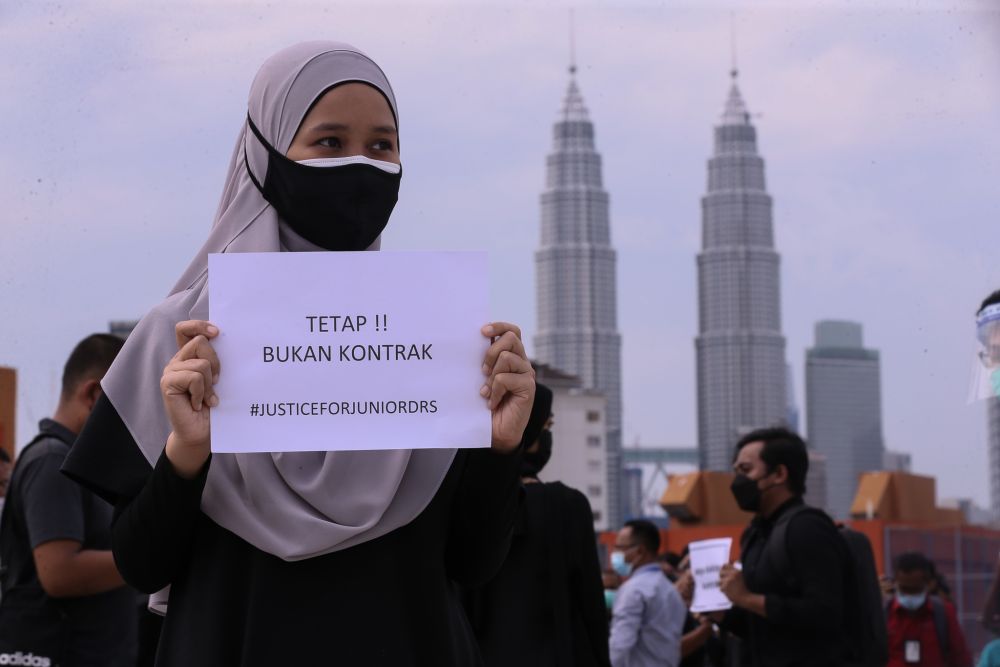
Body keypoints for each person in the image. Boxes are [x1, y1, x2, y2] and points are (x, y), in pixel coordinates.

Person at [60, 42, 537, 666]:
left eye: (382, 146)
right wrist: (186, 453)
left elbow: (472, 564)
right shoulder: (178, 341)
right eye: (330, 143)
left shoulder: (435, 343)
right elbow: (141, 562)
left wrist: (501, 448)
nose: (361, 165)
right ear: (265, 152)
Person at [0, 334, 134, 666]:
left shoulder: (79, 465)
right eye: (129, 404)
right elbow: (58, 572)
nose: (135, 421)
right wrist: (148, 559)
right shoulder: (52, 462)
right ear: (93, 394)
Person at [465, 383, 610, 666]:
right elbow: (591, 605)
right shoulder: (566, 505)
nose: (547, 436)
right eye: (546, 426)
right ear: (526, 426)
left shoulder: (468, 501)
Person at [717, 427, 851, 667]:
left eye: (746, 470)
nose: (737, 481)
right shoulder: (754, 534)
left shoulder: (807, 528)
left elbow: (826, 612)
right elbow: (760, 627)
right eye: (736, 471)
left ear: (779, 474)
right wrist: (718, 613)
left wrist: (747, 598)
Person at [608, 519, 686, 667]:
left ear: (640, 551)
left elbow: (619, 645)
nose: (615, 554)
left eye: (620, 548)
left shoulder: (633, 590)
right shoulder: (670, 590)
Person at [886, 552, 971, 667]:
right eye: (904, 589)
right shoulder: (883, 614)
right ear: (895, 582)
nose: (909, 595)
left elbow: (959, 657)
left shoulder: (943, 613)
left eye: (915, 589)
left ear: (929, 584)